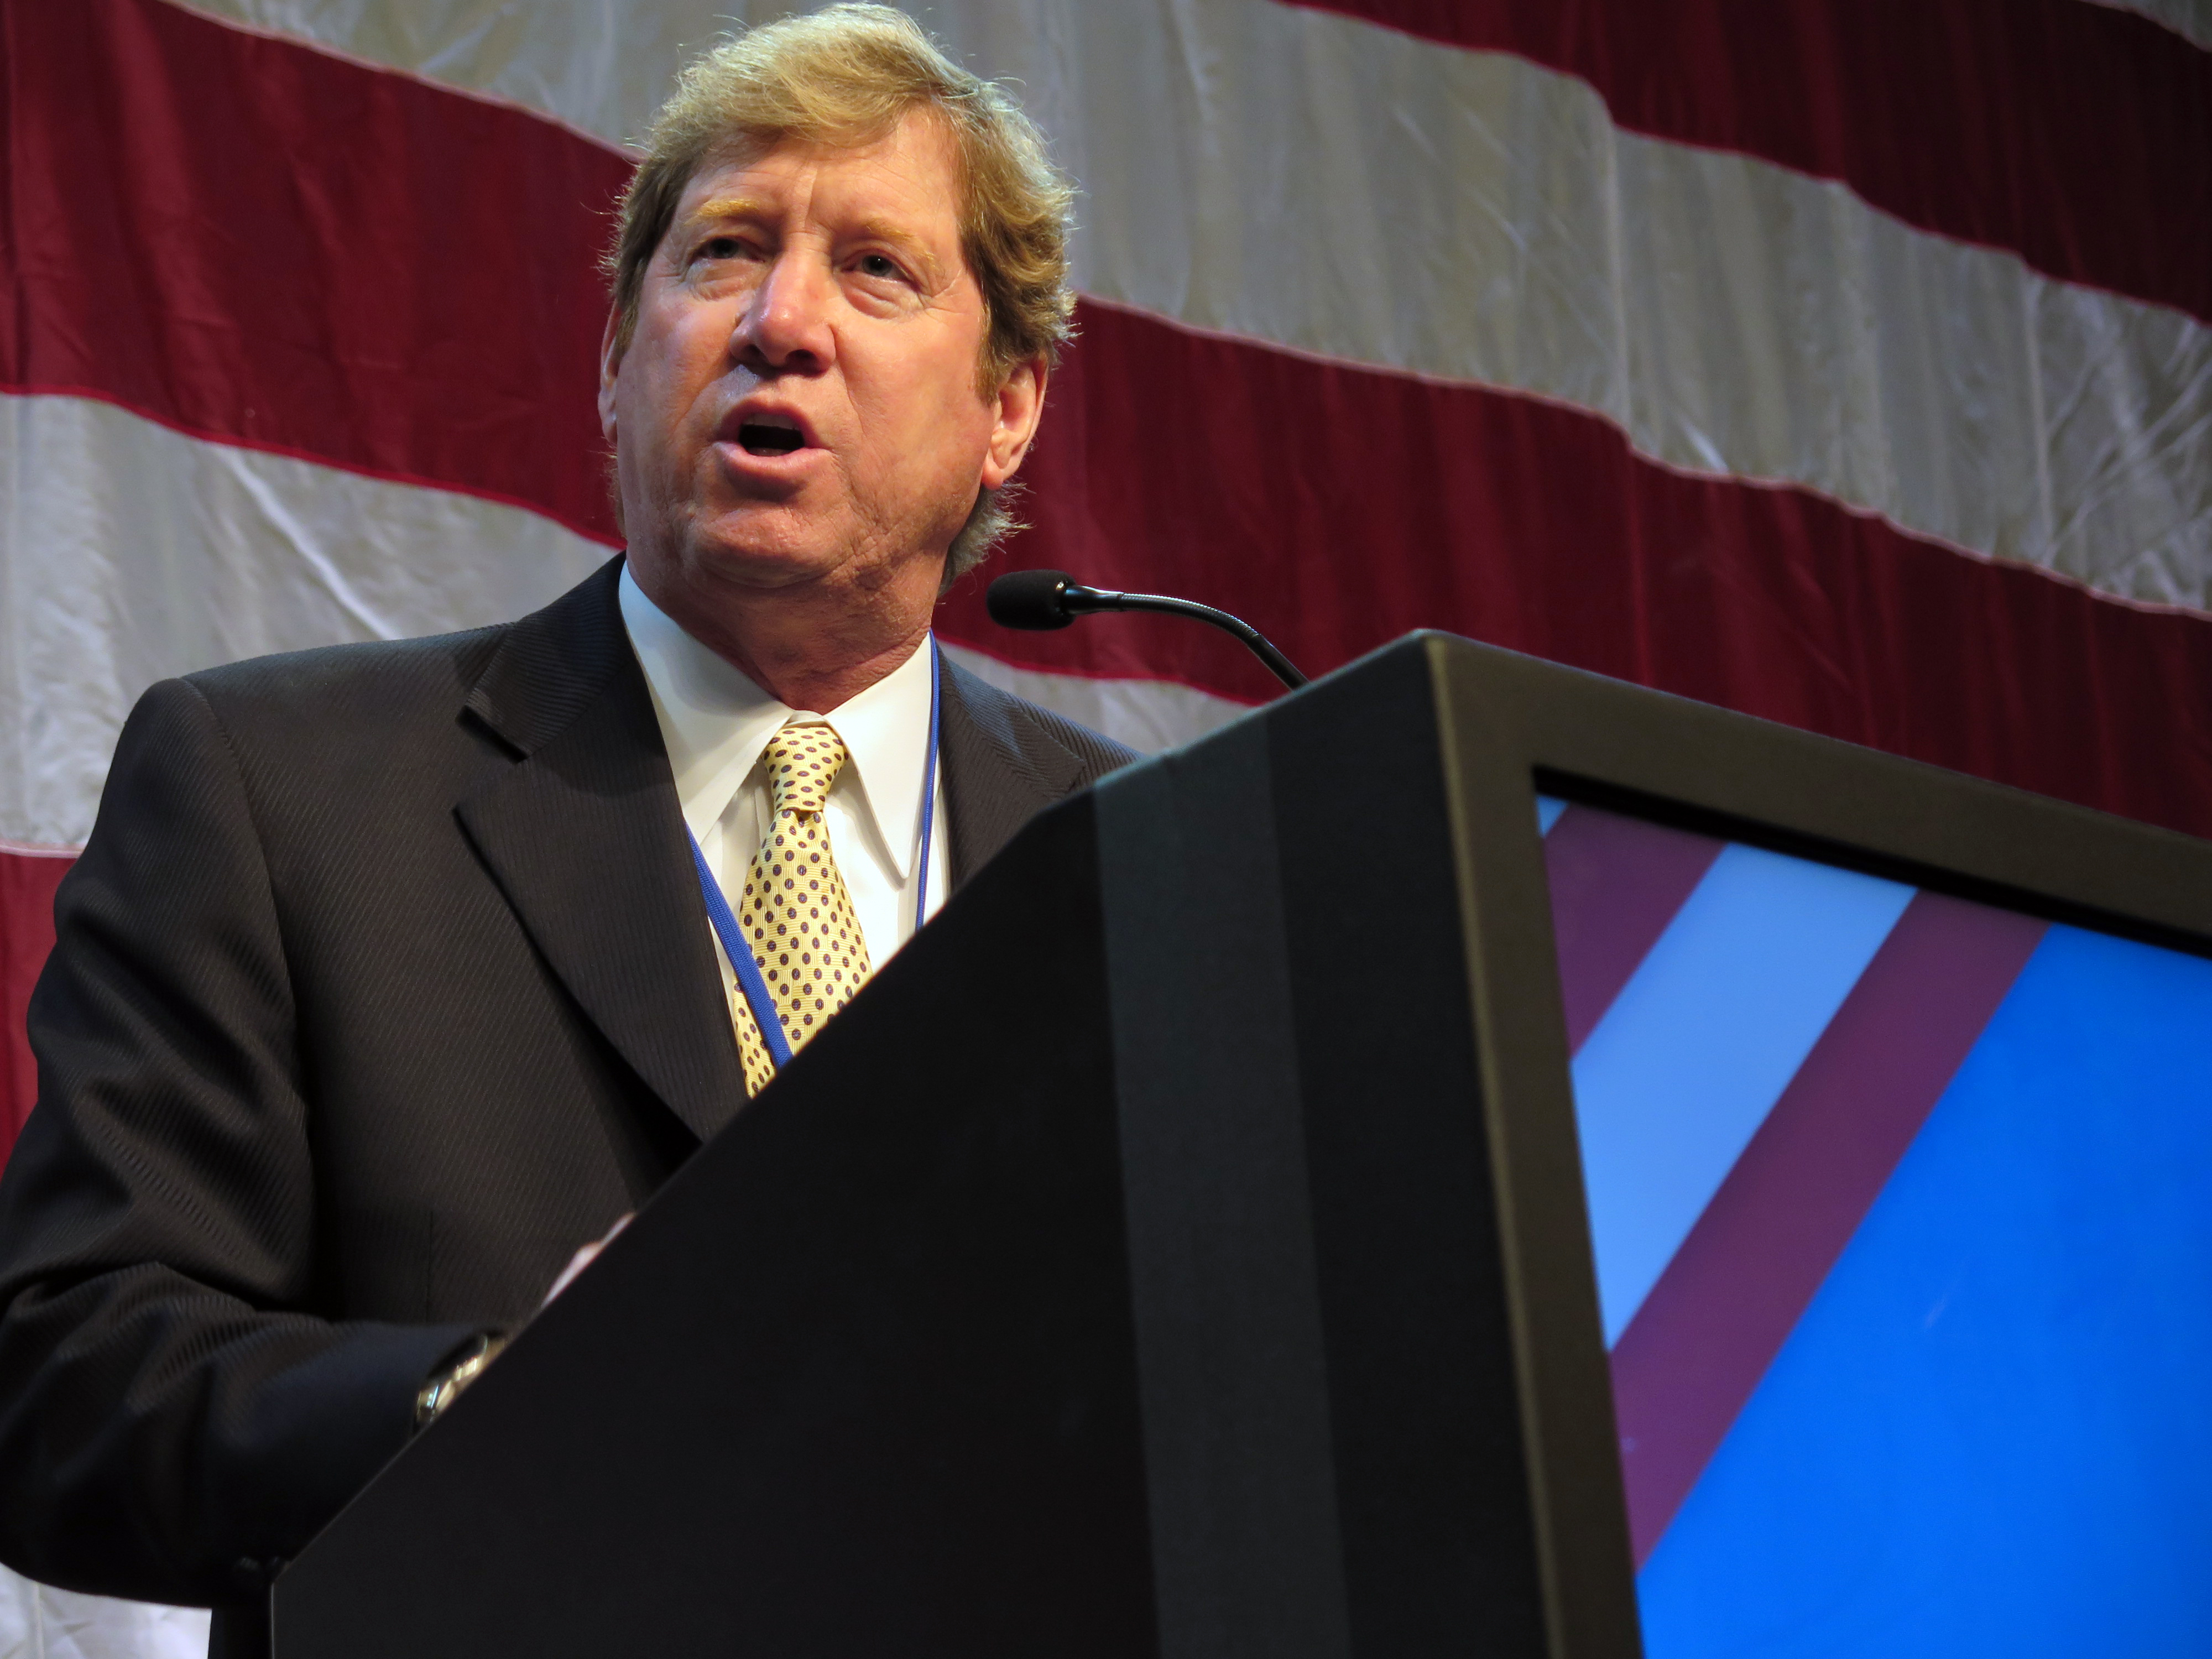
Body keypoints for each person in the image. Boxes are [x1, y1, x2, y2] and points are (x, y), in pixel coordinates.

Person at [0, 8, 1133, 1654]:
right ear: (616, 361)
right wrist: (488, 1396)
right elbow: (60, 1388)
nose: (780, 324)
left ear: (1009, 409)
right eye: (724, 251)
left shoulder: (1142, 857)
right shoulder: (274, 787)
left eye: (877, 271)